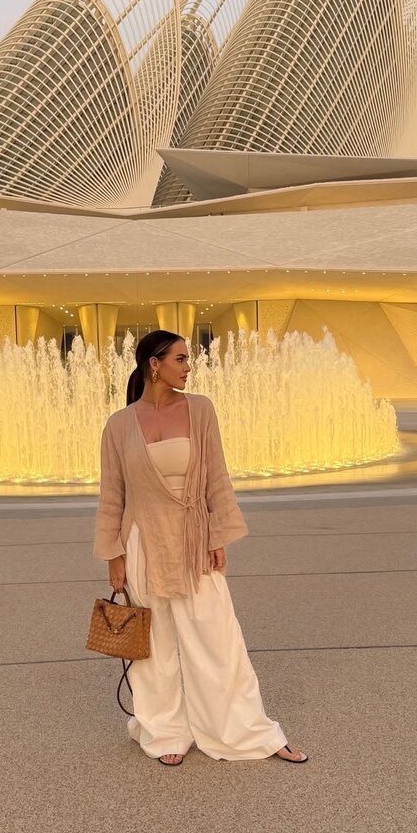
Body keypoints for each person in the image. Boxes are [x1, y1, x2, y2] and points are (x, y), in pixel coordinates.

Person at [93, 329, 308, 767]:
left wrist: (217, 535)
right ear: (154, 364)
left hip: (194, 539)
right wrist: (114, 555)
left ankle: (249, 731)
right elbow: (112, 495)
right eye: (181, 359)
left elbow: (216, 477)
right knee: (153, 644)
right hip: (142, 543)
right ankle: (166, 731)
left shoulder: (200, 409)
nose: (189, 367)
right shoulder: (119, 424)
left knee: (217, 637)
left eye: (188, 359)